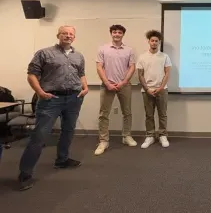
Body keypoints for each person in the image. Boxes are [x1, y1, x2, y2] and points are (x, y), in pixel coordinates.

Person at [18, 25, 88, 191]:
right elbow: (31, 74)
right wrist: (40, 92)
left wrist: (85, 88)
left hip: (74, 98)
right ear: (58, 35)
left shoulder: (78, 56)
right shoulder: (44, 53)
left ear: (74, 37)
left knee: (68, 130)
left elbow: (82, 73)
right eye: (65, 33)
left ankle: (62, 160)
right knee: (39, 136)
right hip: (51, 99)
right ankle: (25, 174)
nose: (68, 36)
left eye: (71, 34)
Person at [94, 24, 136, 155]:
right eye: (114, 32)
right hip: (107, 85)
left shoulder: (129, 50)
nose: (117, 34)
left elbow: (132, 67)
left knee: (127, 112)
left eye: (119, 32)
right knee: (103, 114)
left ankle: (126, 136)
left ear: (123, 34)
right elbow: (99, 67)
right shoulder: (103, 49)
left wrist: (124, 82)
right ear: (111, 33)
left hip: (124, 85)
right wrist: (107, 83)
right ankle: (103, 141)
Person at [137, 30, 172, 149]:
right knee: (149, 115)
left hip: (162, 90)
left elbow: (167, 73)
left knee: (162, 114)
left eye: (156, 41)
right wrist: (147, 89)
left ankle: (162, 135)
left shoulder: (165, 56)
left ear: (159, 42)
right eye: (152, 40)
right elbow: (140, 75)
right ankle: (150, 135)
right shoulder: (142, 57)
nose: (154, 43)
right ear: (149, 42)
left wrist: (161, 88)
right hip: (147, 91)